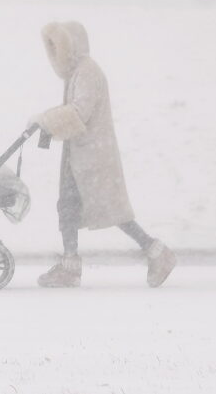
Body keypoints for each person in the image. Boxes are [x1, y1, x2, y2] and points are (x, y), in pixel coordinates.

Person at [31, 21, 177, 288]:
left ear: (70, 46)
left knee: (112, 211)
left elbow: (79, 112)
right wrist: (46, 122)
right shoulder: (76, 73)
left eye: (57, 47)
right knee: (68, 207)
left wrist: (47, 122)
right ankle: (70, 265)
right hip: (80, 155)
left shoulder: (88, 72)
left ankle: (157, 252)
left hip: (93, 157)